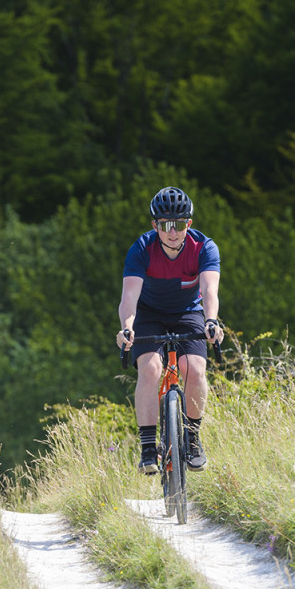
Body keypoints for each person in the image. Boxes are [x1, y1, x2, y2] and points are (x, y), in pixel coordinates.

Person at [116, 187, 224, 474]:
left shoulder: (204, 247)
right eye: (165, 225)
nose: (172, 232)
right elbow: (129, 298)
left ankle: (193, 437)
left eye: (178, 225)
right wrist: (126, 328)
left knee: (195, 369)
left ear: (188, 223)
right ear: (155, 226)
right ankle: (148, 447)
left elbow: (210, 290)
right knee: (150, 369)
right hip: (149, 314)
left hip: (188, 312)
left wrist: (211, 321)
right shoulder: (141, 249)